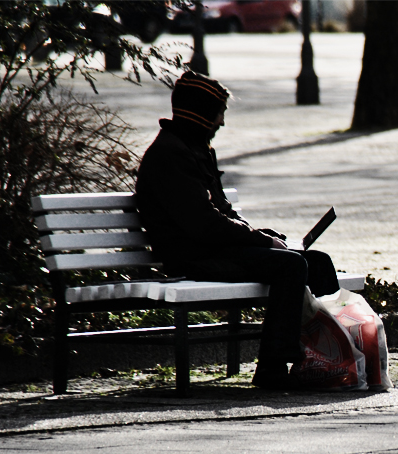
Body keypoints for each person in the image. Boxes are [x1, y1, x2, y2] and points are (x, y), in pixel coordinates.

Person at [135, 71, 340, 388]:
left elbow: (222, 211)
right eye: (219, 113)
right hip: (191, 257)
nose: (222, 122)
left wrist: (260, 235)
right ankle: (273, 369)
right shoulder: (169, 155)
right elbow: (203, 224)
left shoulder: (195, 148)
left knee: (317, 262)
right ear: (201, 114)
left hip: (214, 249)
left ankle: (323, 355)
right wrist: (261, 240)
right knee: (290, 266)